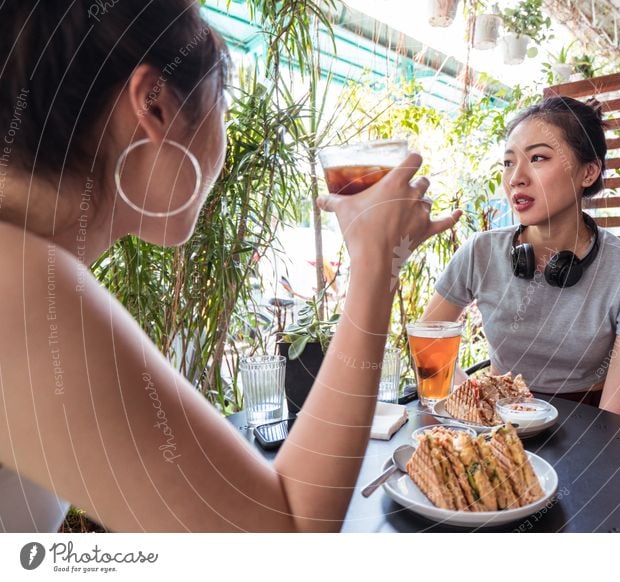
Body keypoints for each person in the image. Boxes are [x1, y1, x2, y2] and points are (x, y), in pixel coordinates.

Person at [0, 1, 460, 532]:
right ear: (154, 105)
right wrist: (377, 262)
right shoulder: (22, 287)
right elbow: (281, 541)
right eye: (224, 105)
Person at [423, 96, 620, 423]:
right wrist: (474, 404)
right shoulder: (480, 251)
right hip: (499, 424)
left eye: (538, 158)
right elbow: (428, 338)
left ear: (589, 172)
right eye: (509, 162)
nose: (515, 178)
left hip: (590, 429)